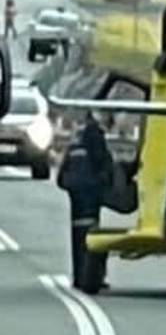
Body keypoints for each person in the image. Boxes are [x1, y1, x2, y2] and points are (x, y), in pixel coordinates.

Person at [57, 110, 115, 290]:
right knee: (90, 234)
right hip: (89, 188)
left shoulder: (79, 133)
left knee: (78, 233)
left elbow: (66, 163)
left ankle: (79, 276)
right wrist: (107, 180)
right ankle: (90, 277)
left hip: (75, 187)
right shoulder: (94, 133)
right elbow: (100, 159)